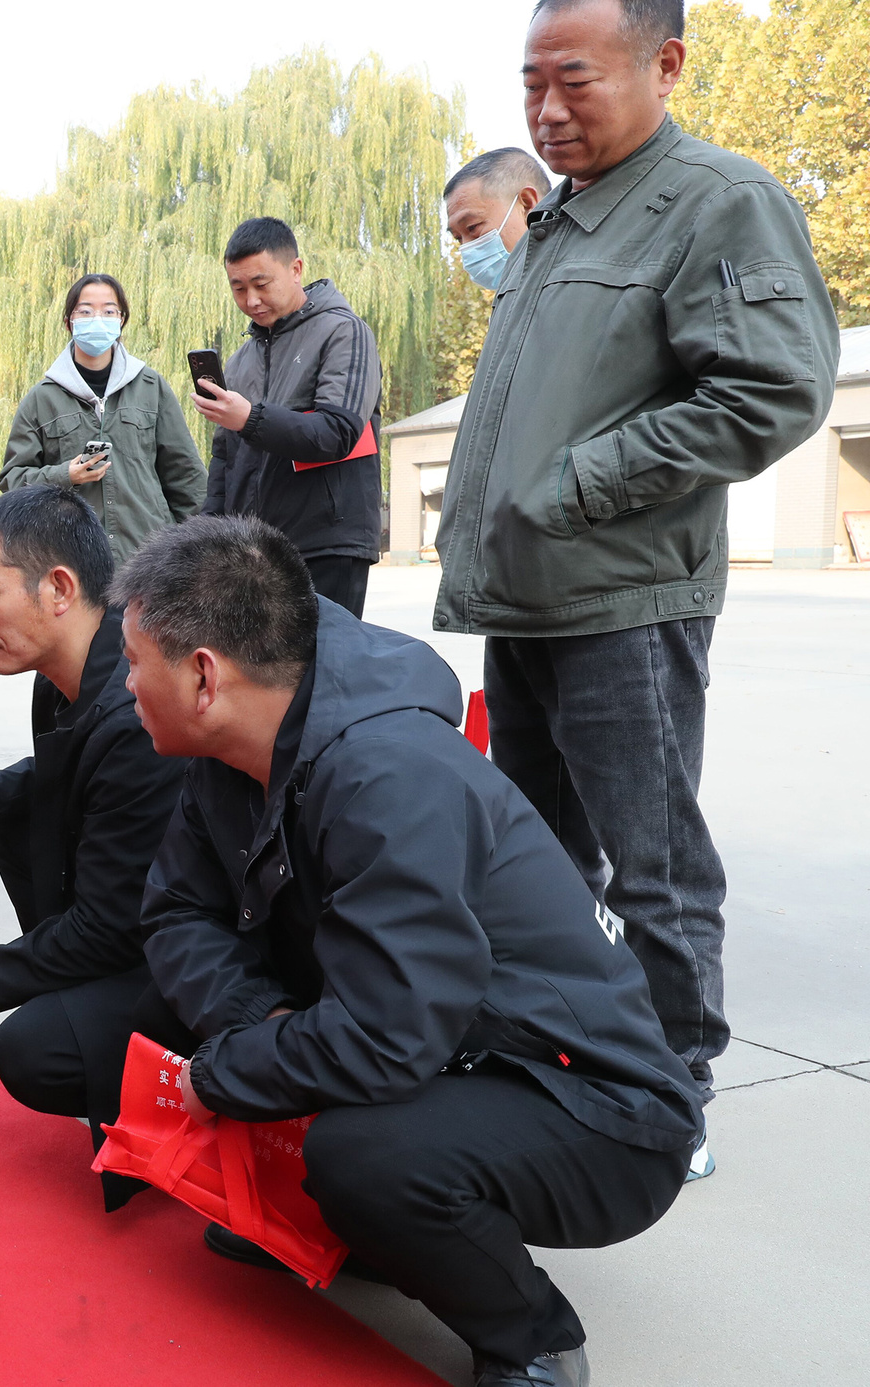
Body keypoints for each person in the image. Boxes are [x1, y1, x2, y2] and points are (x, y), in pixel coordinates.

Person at [117, 515, 701, 1387]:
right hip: (441, 1040)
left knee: (364, 1158)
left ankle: (532, 1336)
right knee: (112, 1037)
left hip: (589, 1099)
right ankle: (359, 1226)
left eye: (134, 663)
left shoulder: (388, 774)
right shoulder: (234, 749)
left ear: (204, 674)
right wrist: (259, 1023)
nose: (125, 685)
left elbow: (388, 1036)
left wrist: (225, 1071)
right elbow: (172, 911)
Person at [434, 0, 841, 1179]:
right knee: (534, 859)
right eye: (529, 86)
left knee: (652, 861)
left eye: (574, 80)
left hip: (623, 602)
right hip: (525, 602)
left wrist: (571, 487)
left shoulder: (715, 201)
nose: (547, 110)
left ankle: (672, 1088)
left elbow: (769, 389)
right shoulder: (556, 222)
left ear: (662, 65)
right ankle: (560, 1049)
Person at [0, 486, 181, 1205]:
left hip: (196, 952)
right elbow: (65, 771)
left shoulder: (135, 704)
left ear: (59, 588)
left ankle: (195, 1081)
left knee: (32, 1049)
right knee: (14, 817)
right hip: (139, 918)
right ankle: (91, 1012)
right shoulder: (75, 671)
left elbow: (111, 924)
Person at [193, 218, 385, 618]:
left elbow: (338, 432)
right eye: (238, 288)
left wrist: (249, 418)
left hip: (326, 541)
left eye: (262, 284)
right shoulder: (240, 360)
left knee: (322, 667)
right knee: (261, 676)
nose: (251, 300)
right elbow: (225, 461)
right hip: (254, 550)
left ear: (296, 270)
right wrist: (206, 536)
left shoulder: (344, 332)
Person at [0, 274, 206, 565]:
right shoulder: (42, 398)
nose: (97, 318)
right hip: (71, 565)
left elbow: (186, 477)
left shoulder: (150, 386)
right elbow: (12, 481)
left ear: (121, 319)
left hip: (147, 562)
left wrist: (192, 553)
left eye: (108, 311)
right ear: (69, 321)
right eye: (85, 311)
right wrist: (65, 476)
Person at [443, 148, 553, 291]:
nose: (467, 250)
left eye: (472, 227)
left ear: (527, 204)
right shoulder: (509, 300)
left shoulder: (578, 280)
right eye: (458, 238)